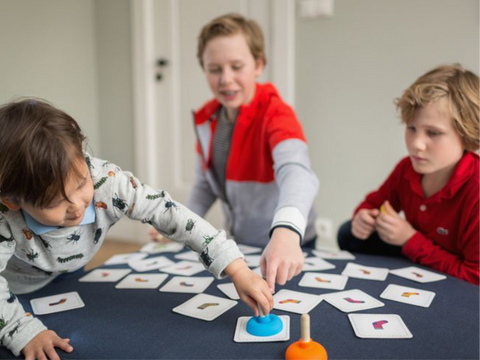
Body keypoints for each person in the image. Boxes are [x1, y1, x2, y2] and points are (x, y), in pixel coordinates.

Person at [0, 99, 273, 359]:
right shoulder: (5, 217)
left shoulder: (107, 181)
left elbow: (168, 212)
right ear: (12, 201)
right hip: (14, 287)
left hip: (70, 271)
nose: (76, 206)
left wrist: (237, 269)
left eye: (82, 184)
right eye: (55, 201)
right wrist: (22, 332)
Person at [150, 13, 319, 293]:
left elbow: (298, 173)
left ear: (258, 65)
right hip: (242, 244)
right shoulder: (208, 121)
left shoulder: (277, 114)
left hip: (288, 244)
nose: (226, 79)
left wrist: (287, 232)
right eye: (215, 69)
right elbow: (205, 187)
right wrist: (175, 226)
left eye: (236, 66)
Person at [337, 64, 480, 285]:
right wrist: (364, 217)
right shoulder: (407, 168)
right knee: (348, 232)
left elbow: (474, 276)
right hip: (418, 256)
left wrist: (410, 240)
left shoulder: (475, 191)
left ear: (467, 136)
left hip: (453, 270)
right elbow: (372, 204)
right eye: (411, 128)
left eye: (433, 133)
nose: (416, 144)